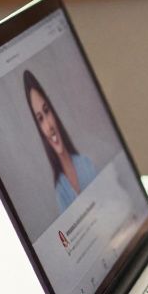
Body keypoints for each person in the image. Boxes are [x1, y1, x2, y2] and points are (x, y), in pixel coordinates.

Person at [24, 70, 97, 215]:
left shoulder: (86, 163)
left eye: (47, 111)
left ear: (53, 112)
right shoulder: (60, 192)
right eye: (40, 119)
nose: (49, 125)